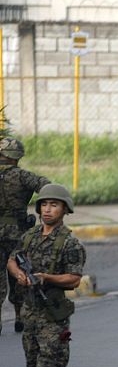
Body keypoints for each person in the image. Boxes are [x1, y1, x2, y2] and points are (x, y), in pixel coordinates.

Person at [7, 184, 85, 367]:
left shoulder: (70, 243)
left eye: (54, 205)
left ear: (65, 209)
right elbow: (12, 258)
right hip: (29, 315)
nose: (47, 209)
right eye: (44, 204)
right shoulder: (29, 236)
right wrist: (19, 274)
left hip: (53, 318)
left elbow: (74, 279)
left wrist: (46, 277)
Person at [0, 137, 50, 335]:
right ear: (16, 157)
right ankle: (20, 317)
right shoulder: (23, 177)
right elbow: (47, 187)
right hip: (17, 234)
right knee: (19, 274)